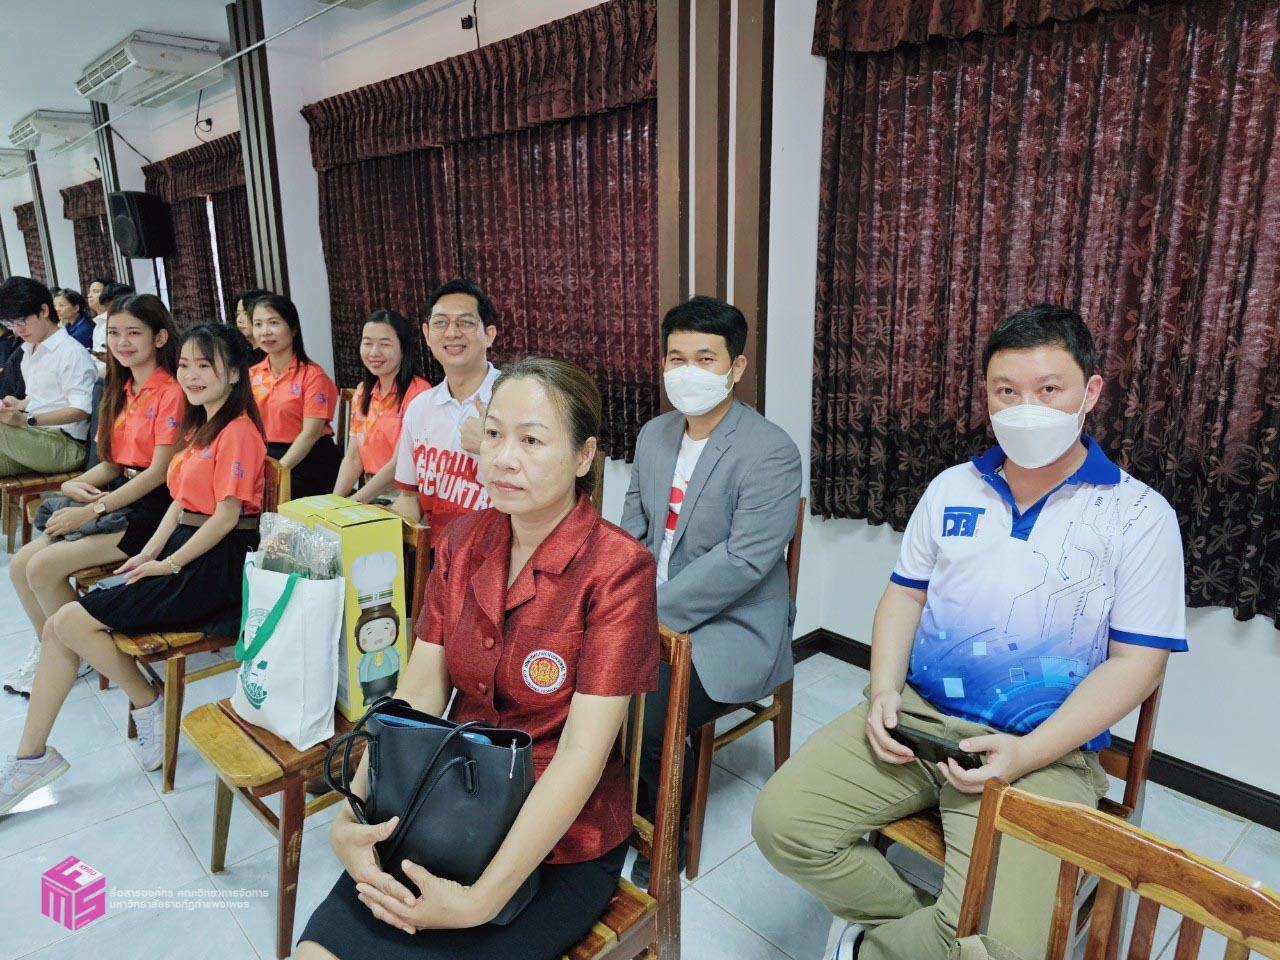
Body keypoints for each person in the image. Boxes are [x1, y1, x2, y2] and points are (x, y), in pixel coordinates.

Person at [752, 305, 1187, 960]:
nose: (1025, 408)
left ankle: (877, 948)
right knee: (782, 825)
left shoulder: (1139, 516)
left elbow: (1138, 665)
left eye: (1049, 389)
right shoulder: (953, 488)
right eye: (1006, 391)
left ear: (1091, 392)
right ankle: (911, 927)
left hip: (1041, 753)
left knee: (1001, 948)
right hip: (918, 720)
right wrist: (882, 693)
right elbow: (904, 595)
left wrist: (1027, 754)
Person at [297, 356, 658, 960]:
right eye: (493, 434)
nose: (504, 457)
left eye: (532, 440)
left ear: (584, 456)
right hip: (447, 804)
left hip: (557, 843)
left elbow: (580, 755)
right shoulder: (463, 541)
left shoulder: (619, 570)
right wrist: (350, 816)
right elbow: (415, 699)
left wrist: (481, 901)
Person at [0, 323, 267, 813]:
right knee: (60, 626)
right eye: (184, 365)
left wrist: (169, 564)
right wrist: (149, 555)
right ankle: (31, 757)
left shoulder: (239, 432)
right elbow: (178, 503)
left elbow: (226, 518)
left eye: (204, 365)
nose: (190, 375)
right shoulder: (199, 426)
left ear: (233, 373)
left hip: (217, 565)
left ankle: (145, 702)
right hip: (185, 548)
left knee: (68, 621)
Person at [619, 295, 802, 887]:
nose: (688, 372)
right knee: (583, 672)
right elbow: (632, 529)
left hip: (733, 624)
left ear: (736, 367)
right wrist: (617, 595)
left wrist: (644, 613)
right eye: (677, 358)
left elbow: (744, 562)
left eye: (705, 358)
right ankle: (607, 805)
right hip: (650, 603)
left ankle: (665, 833)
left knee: (647, 706)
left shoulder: (771, 451)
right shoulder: (654, 434)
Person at [4, 294, 183, 699]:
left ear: (159, 337)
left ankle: (76, 650)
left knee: (42, 568)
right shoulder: (121, 388)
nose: (122, 342)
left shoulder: (171, 392)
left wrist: (91, 510)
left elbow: (158, 473)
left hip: (157, 509)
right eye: (114, 333)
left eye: (133, 333)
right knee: (20, 565)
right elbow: (113, 465)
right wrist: (73, 486)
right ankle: (56, 647)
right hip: (120, 497)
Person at [390, 279, 499, 534]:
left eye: (466, 322)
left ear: (489, 335)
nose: (452, 333)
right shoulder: (419, 408)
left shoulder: (516, 399)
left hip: (502, 550)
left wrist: (491, 444)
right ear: (427, 335)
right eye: (440, 323)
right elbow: (410, 499)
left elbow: (546, 490)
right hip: (439, 552)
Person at [0, 276, 96, 478]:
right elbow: (42, 398)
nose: (17, 329)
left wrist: (27, 419)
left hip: (66, 445)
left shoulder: (70, 352)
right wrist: (18, 404)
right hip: (37, 436)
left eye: (21, 321)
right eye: (10, 323)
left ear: (44, 311)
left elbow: (81, 409)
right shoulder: (30, 349)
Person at [250, 293, 341, 499]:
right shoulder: (252, 375)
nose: (265, 331)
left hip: (308, 459)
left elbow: (310, 434)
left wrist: (276, 475)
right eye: (258, 324)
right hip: (266, 457)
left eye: (273, 323)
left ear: (293, 328)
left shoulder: (313, 375)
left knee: (261, 498)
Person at [334, 309, 430, 504]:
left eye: (384, 344)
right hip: (371, 492)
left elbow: (398, 464)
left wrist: (352, 503)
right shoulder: (362, 392)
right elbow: (353, 458)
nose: (374, 352)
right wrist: (333, 502)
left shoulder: (419, 393)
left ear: (403, 347)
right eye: (367, 343)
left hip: (407, 496)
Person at [233, 288, 271, 366]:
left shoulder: (272, 355)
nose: (239, 320)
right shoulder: (242, 353)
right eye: (238, 314)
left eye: (246, 313)